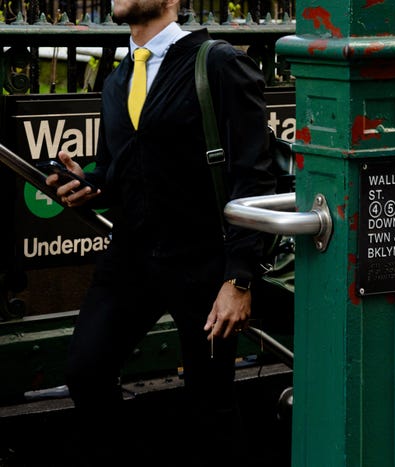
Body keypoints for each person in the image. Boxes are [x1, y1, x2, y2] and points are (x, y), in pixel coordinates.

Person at [45, 0, 275, 463]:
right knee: (86, 372)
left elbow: (255, 176)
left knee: (211, 404)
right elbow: (121, 169)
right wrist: (88, 184)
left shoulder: (218, 63)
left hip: (205, 261)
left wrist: (239, 278)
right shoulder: (118, 77)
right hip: (131, 257)